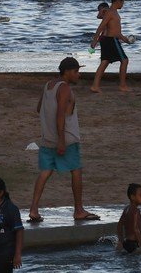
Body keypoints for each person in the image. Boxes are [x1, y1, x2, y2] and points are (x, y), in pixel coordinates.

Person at [31, 56, 97, 223]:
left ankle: (33, 209)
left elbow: (40, 109)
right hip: (65, 138)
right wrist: (61, 139)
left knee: (45, 172)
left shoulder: (48, 86)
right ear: (67, 72)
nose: (78, 75)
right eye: (76, 71)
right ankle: (79, 210)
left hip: (47, 138)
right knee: (76, 170)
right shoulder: (65, 88)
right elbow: (60, 113)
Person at [90, 0, 129, 93]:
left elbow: (116, 31)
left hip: (110, 39)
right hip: (110, 40)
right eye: (122, 2)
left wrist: (125, 39)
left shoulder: (114, 13)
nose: (123, 4)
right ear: (117, 1)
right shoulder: (110, 12)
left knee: (105, 62)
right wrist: (95, 40)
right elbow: (101, 27)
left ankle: (95, 86)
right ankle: (122, 85)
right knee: (124, 60)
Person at [116, 183, 141, 255]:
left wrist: (121, 240)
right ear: (133, 197)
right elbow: (136, 229)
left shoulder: (126, 209)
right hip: (133, 244)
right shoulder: (136, 211)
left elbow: (119, 225)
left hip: (126, 243)